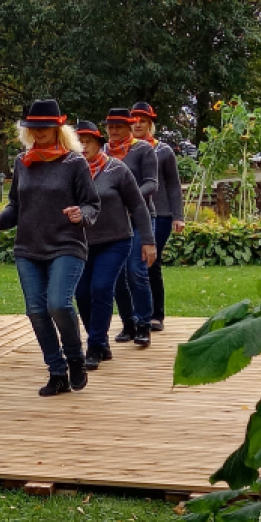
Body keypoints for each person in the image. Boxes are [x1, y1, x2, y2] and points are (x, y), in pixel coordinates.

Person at [0, 100, 100, 397]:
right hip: (28, 248)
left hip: (67, 244)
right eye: (32, 128)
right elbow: (16, 205)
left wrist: (81, 215)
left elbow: (92, 203)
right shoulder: (23, 162)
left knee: (58, 304)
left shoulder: (74, 163)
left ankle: (75, 358)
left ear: (58, 128)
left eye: (44, 127)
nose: (38, 132)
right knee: (36, 310)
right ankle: (57, 372)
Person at [73, 121, 156, 370]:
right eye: (79, 141)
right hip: (81, 242)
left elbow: (138, 205)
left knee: (101, 288)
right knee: (81, 293)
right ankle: (99, 339)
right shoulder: (71, 171)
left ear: (99, 144)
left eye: (88, 141)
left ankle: (95, 345)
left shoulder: (117, 169)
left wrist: (148, 241)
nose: (83, 146)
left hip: (116, 240)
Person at [103, 108, 158, 348]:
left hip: (140, 217)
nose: (114, 131)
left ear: (128, 126)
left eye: (119, 126)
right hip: (114, 221)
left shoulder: (143, 149)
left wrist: (129, 197)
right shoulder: (103, 152)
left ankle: (144, 324)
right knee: (117, 275)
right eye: (110, 127)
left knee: (136, 270)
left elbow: (151, 183)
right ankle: (128, 322)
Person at [132, 102, 184, 332]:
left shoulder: (163, 151)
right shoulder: (124, 150)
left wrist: (178, 215)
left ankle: (156, 315)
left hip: (160, 213)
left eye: (143, 120)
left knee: (150, 260)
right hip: (130, 213)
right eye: (134, 120)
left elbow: (173, 184)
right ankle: (138, 313)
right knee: (132, 264)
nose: (138, 124)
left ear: (150, 124)